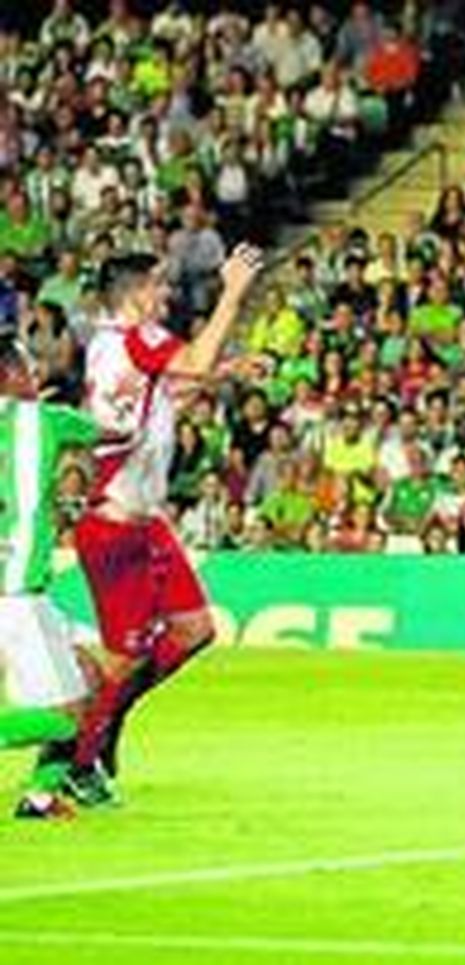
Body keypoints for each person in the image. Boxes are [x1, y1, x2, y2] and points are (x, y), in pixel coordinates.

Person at [68, 245, 263, 806]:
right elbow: (188, 366)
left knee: (194, 630)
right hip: (114, 524)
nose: (166, 295)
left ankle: (111, 717)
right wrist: (232, 292)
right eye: (157, 286)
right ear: (134, 295)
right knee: (125, 655)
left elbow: (165, 390)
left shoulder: (110, 345)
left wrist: (223, 372)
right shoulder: (135, 336)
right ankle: (77, 762)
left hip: (144, 522)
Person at [0, 339, 102, 819]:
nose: (35, 374)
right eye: (27, 366)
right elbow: (118, 431)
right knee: (66, 718)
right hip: (19, 593)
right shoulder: (43, 420)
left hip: (18, 591)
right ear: (10, 374)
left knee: (86, 683)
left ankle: (41, 796)